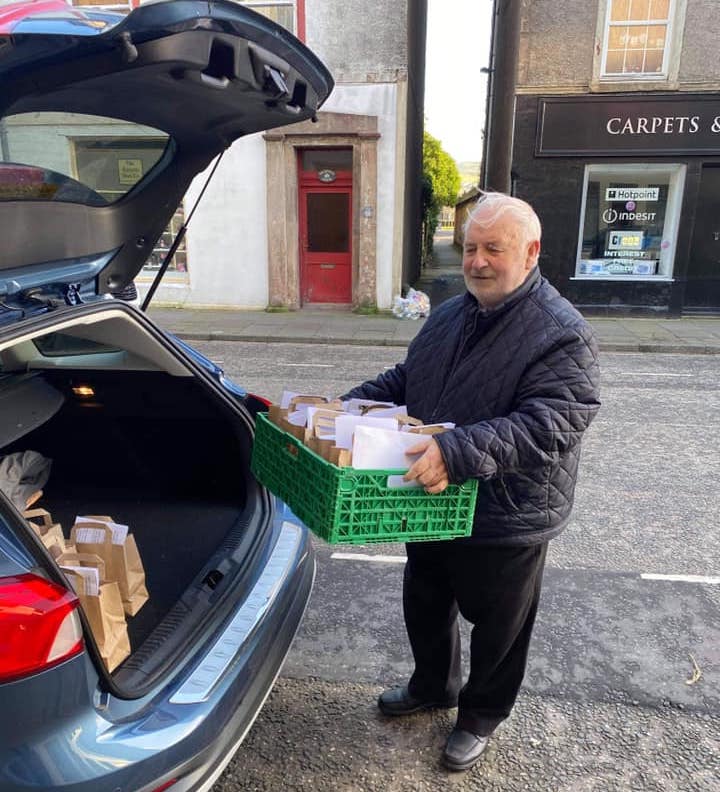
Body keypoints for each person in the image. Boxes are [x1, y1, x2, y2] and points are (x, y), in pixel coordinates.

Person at [341, 191, 601, 772]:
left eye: (494, 249)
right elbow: (412, 377)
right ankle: (434, 686)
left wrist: (454, 452)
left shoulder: (562, 332)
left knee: (499, 627)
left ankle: (481, 716)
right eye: (471, 248)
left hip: (507, 509)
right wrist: (350, 406)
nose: (477, 261)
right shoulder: (451, 310)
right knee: (425, 601)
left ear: (531, 252)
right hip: (432, 499)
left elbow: (553, 423)